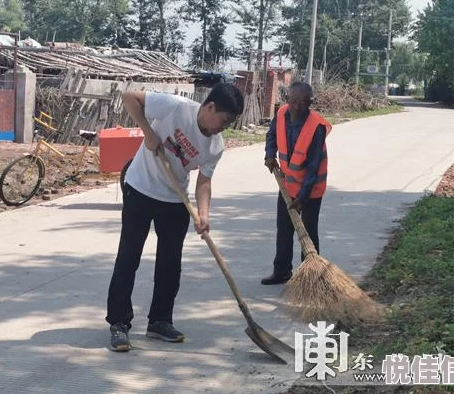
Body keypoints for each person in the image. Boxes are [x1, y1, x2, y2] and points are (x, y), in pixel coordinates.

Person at [106, 83, 244, 352]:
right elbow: (129, 96)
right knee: (128, 258)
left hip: (174, 198)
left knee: (170, 265)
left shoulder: (215, 145)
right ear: (210, 107)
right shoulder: (175, 107)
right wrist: (148, 132)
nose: (223, 127)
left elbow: (204, 181)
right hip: (141, 188)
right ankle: (119, 323)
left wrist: (203, 213)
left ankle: (159, 321)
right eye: (224, 120)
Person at [262, 81, 332, 285]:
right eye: (293, 101)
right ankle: (282, 271)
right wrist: (269, 154)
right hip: (288, 184)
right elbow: (271, 135)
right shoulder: (281, 114)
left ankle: (310, 277)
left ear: (311, 102)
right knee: (284, 227)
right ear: (287, 100)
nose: (297, 107)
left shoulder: (316, 127)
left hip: (311, 188)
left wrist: (302, 197)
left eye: (303, 103)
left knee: (308, 230)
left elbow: (312, 166)